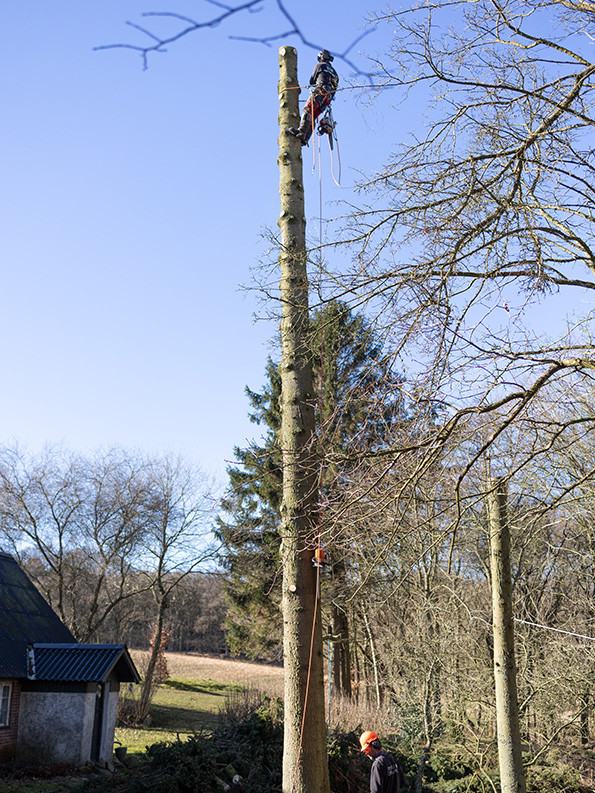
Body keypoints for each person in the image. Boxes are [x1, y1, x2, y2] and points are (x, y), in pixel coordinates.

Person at [287, 49, 339, 145]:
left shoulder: (320, 65)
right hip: (327, 99)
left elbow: (312, 81)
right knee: (313, 116)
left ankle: (302, 132)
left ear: (321, 57)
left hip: (320, 91)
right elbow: (335, 89)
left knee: (308, 109)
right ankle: (306, 138)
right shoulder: (335, 74)